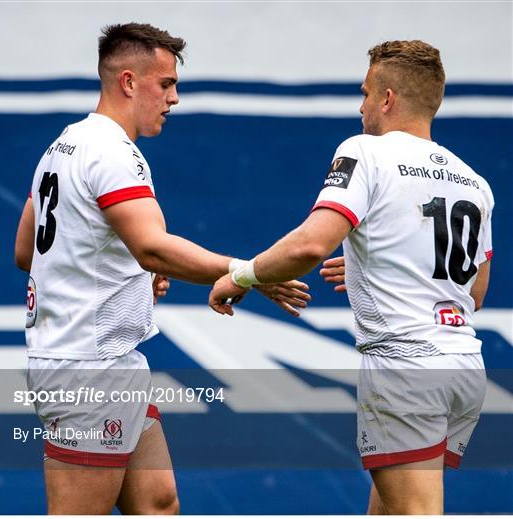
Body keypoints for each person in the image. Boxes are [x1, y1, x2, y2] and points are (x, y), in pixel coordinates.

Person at [14, 23, 309, 515]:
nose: (174, 98)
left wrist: (123, 268)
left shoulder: (63, 144)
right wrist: (248, 273)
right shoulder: (112, 152)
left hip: (114, 363)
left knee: (159, 504)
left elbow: (30, 250)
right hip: (86, 371)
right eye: (166, 84)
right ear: (128, 81)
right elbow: (153, 247)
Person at [209, 40, 493, 515]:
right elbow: (475, 291)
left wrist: (241, 276)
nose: (360, 107)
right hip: (464, 369)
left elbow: (309, 245)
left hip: (405, 367)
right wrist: (377, 261)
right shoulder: (474, 182)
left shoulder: (365, 151)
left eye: (365, 93)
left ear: (387, 98)